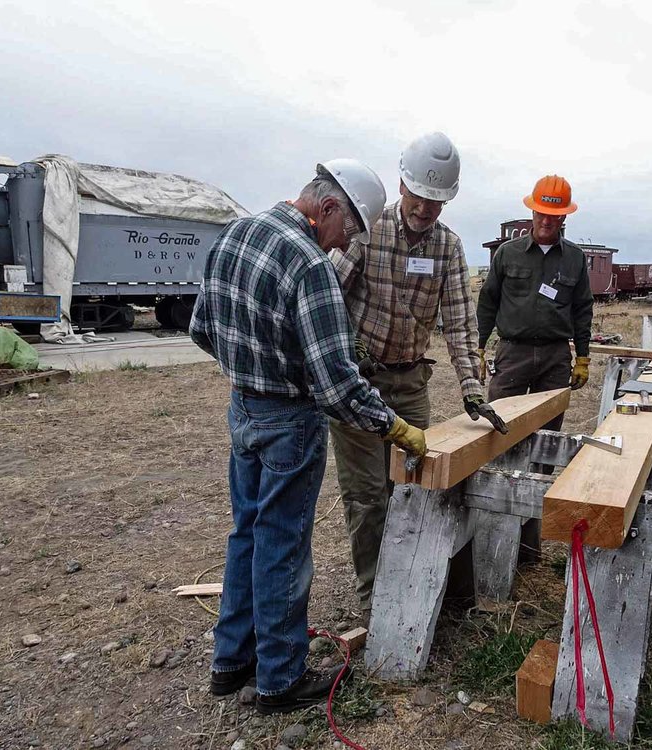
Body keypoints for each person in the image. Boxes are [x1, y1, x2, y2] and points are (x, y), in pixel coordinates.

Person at [189, 159, 427, 714]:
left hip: (242, 410)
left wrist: (251, 370)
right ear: (327, 210)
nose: (345, 246)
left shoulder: (237, 233)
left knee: (247, 533)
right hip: (289, 424)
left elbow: (202, 328)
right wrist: (393, 425)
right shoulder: (309, 266)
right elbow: (338, 384)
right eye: (348, 233)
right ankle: (279, 678)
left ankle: (231, 663)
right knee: (283, 546)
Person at [328, 132, 508, 618]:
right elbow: (327, 293)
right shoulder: (367, 230)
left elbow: (460, 321)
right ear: (402, 184)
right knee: (367, 497)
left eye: (437, 203)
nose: (425, 210)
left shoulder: (448, 248)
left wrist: (473, 389)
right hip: (358, 385)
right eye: (419, 198)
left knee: (413, 487)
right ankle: (374, 598)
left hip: (410, 388)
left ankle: (414, 578)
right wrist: (347, 347)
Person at [476, 174, 594, 432]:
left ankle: (541, 471)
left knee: (548, 431)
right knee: (499, 425)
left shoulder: (575, 258)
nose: (546, 220)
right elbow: (488, 302)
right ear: (532, 211)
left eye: (554, 215)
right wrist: (479, 347)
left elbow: (582, 309)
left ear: (564, 217)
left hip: (556, 357)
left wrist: (583, 358)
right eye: (541, 213)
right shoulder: (508, 253)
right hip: (513, 352)